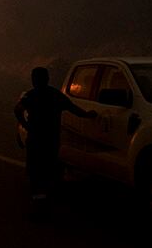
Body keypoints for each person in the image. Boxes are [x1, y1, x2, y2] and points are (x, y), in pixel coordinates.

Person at [14, 66, 97, 200]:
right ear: (47, 79)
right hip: (51, 137)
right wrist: (88, 115)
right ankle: (47, 193)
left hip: (35, 137)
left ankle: (38, 196)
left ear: (33, 80)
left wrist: (26, 125)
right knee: (50, 165)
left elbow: (17, 110)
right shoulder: (55, 95)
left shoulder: (31, 95)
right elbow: (73, 109)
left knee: (35, 168)